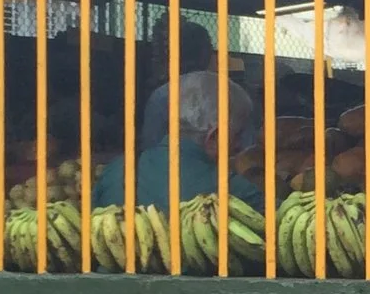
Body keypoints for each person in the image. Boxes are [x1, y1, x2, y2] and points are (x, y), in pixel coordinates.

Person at [95, 70, 263, 209]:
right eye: (238, 134)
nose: (240, 145)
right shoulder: (237, 192)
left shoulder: (116, 171)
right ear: (215, 136)